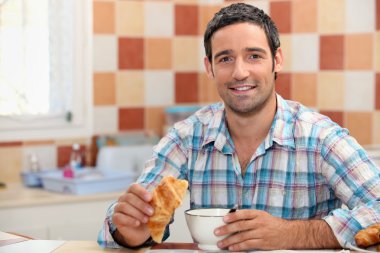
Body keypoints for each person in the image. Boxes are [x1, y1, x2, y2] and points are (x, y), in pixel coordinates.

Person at [98, 3, 380, 251]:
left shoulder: (321, 137)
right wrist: (129, 233)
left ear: (277, 60)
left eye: (254, 56)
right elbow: (121, 228)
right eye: (225, 58)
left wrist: (291, 233)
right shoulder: (186, 138)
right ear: (209, 67)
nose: (239, 72)